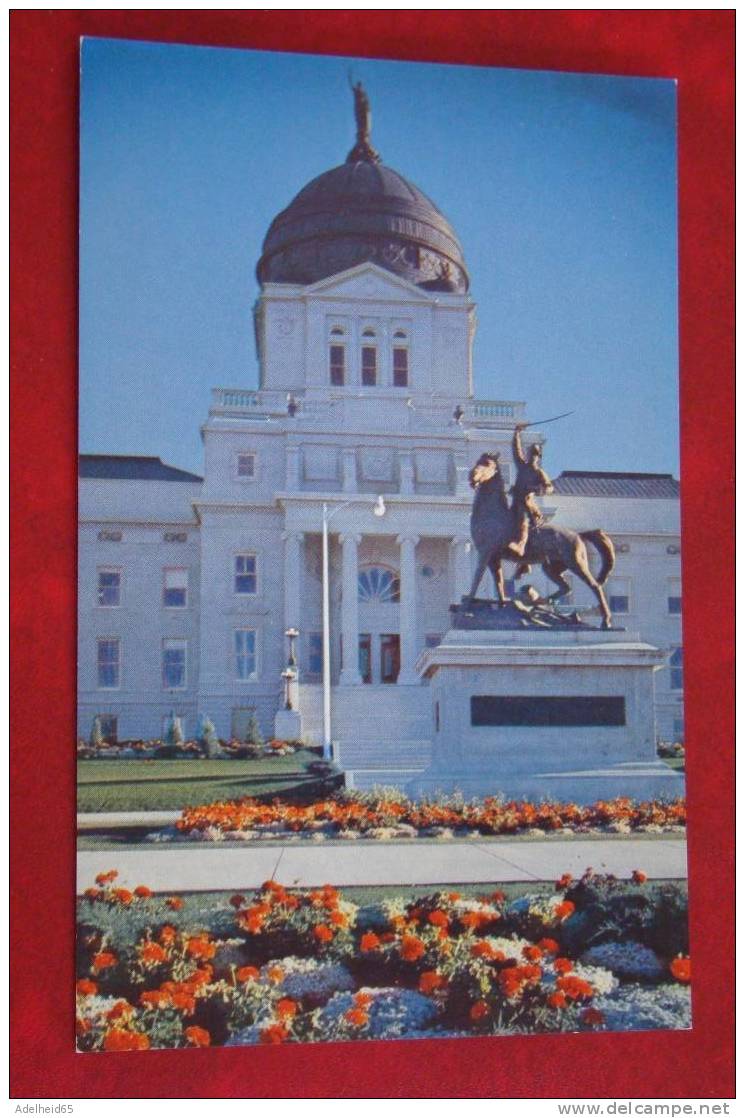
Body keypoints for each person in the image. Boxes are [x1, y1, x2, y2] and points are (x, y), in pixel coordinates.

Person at [506, 422, 554, 560]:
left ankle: (521, 545)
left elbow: (549, 487)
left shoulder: (539, 473)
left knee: (522, 517)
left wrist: (536, 489)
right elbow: (516, 449)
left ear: (538, 457)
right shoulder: (522, 466)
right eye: (531, 453)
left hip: (528, 505)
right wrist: (517, 433)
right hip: (515, 501)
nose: (532, 456)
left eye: (535, 454)